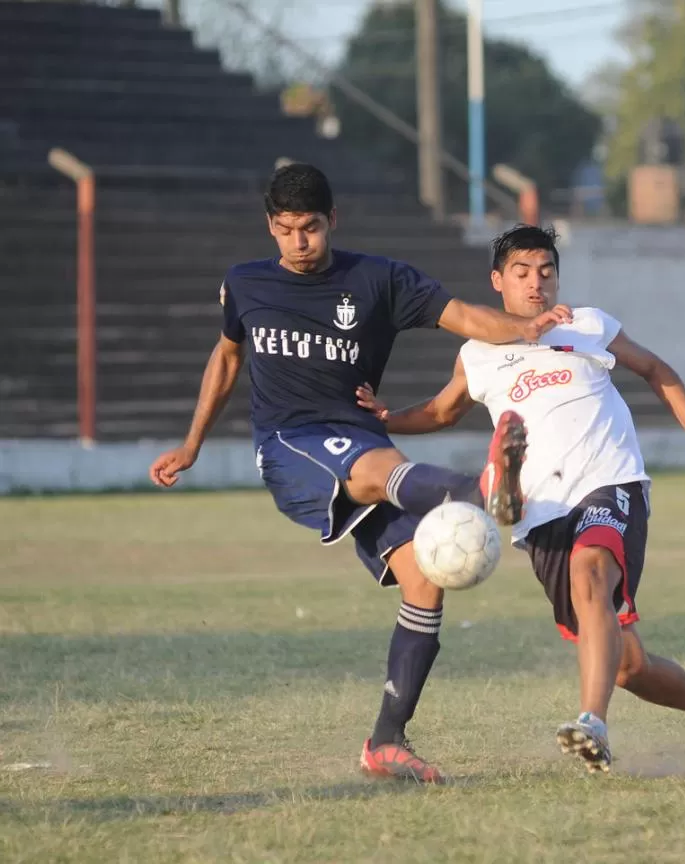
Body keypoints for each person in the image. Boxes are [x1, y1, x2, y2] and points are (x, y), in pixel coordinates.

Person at [148, 166, 572, 784]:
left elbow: (464, 316)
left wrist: (525, 328)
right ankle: (481, 490)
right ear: (271, 226)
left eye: (311, 229)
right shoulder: (244, 284)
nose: (299, 242)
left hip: (360, 440)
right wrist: (191, 445)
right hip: (292, 445)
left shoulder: (378, 279)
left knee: (425, 580)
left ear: (332, 221)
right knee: (385, 469)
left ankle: (386, 742)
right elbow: (227, 356)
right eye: (287, 230)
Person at [356, 223, 685, 776]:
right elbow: (440, 411)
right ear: (497, 281)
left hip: (610, 481)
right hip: (541, 510)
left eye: (546, 272)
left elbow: (655, 369)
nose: (536, 285)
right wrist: (387, 417)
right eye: (522, 274)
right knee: (628, 664)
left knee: (589, 571)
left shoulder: (589, 325)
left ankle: (592, 723)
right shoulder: (478, 354)